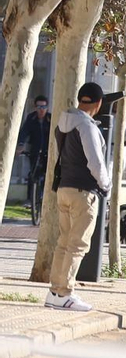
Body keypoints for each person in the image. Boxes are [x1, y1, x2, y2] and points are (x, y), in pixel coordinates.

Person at [42, 83, 110, 311]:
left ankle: (55, 292)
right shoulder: (87, 127)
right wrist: (106, 185)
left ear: (80, 99)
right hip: (83, 193)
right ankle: (65, 293)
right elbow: (96, 163)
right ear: (99, 104)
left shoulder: (63, 123)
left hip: (64, 189)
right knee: (78, 245)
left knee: (63, 242)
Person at [15, 94, 50, 219]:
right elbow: (24, 132)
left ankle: (47, 199)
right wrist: (20, 145)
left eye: (44, 106)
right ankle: (31, 199)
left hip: (49, 151)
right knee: (33, 174)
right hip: (35, 151)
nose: (41, 109)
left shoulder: (50, 119)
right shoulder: (31, 118)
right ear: (35, 107)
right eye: (39, 106)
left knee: (48, 175)